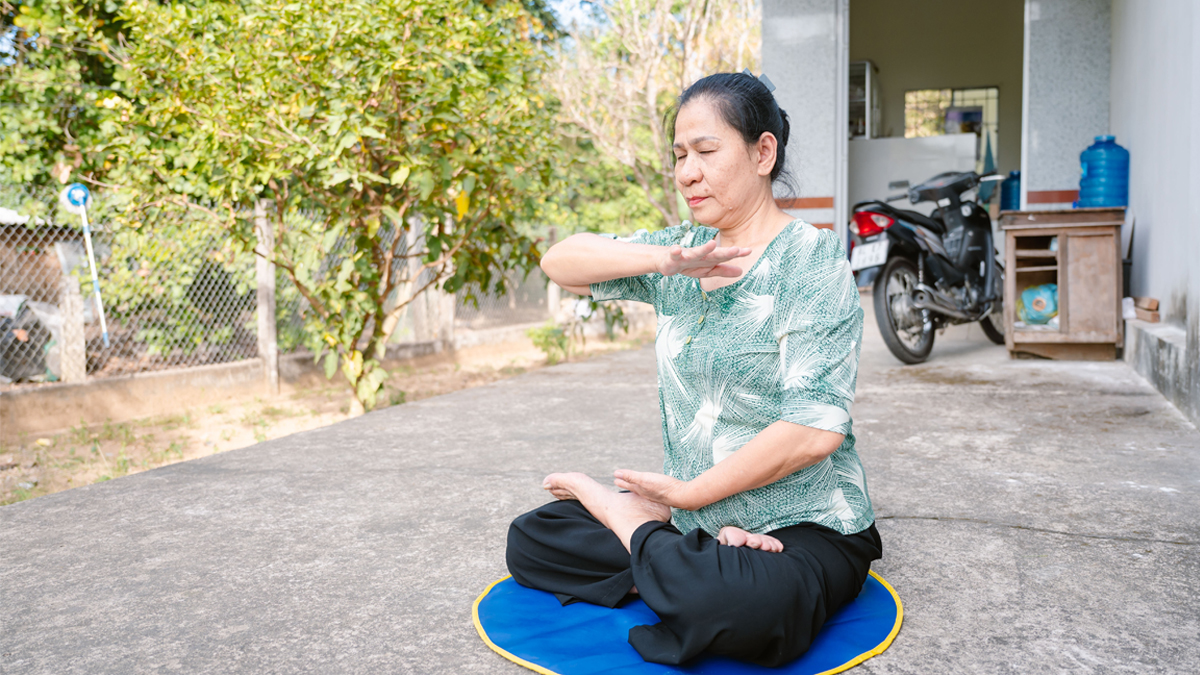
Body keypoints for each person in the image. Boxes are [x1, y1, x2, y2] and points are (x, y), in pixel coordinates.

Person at [504, 71, 882, 668]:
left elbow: (815, 430)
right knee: (533, 538)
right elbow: (560, 262)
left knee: (747, 606)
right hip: (691, 518)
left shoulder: (813, 258)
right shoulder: (685, 250)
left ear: (763, 152)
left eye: (706, 152)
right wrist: (664, 260)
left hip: (803, 520)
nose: (686, 172)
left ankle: (642, 533)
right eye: (679, 156)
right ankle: (667, 549)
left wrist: (687, 495)